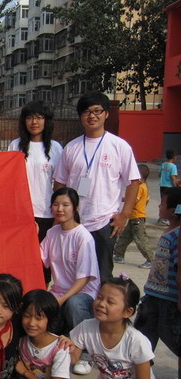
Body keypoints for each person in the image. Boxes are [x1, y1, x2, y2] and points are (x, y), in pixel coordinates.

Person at [54, 91, 140, 283]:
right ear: (80, 116)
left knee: (102, 276)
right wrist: (60, 215)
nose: (91, 116)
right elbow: (60, 183)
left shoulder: (119, 146)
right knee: (72, 274)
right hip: (74, 222)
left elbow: (133, 181)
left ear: (106, 114)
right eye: (86, 112)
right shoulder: (71, 148)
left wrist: (124, 215)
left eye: (97, 111)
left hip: (104, 222)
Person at [40, 187, 100, 371]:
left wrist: (62, 299)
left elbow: (84, 279)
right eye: (56, 204)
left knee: (74, 304)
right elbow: (39, 259)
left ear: (75, 207)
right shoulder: (52, 233)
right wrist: (31, 232)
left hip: (82, 294)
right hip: (58, 292)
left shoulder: (83, 237)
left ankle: (86, 355)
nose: (60, 209)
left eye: (65, 205)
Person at [135, 187, 181, 379]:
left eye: (162, 203)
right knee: (142, 339)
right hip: (153, 296)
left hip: (170, 301)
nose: (159, 206)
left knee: (177, 340)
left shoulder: (178, 235)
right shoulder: (170, 231)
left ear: (174, 210)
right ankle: (142, 377)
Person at [8, 101, 63, 246]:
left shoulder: (56, 148)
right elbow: (9, 180)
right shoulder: (15, 146)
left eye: (39, 118)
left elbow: (60, 183)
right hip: (21, 213)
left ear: (46, 121)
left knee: (44, 256)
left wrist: (58, 213)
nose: (34, 122)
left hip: (46, 212)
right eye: (30, 118)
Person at [113, 164, 153, 269]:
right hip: (133, 218)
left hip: (137, 219)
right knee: (124, 237)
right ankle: (119, 255)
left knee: (140, 240)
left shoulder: (140, 188)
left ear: (140, 177)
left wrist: (121, 199)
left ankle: (151, 260)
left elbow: (133, 200)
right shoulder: (144, 187)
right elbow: (146, 200)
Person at [158, 150, 178, 225]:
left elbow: (159, 174)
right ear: (174, 157)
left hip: (162, 185)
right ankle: (164, 219)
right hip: (169, 187)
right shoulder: (173, 166)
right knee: (169, 203)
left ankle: (161, 218)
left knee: (163, 201)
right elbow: (173, 177)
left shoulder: (163, 164)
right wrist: (176, 185)